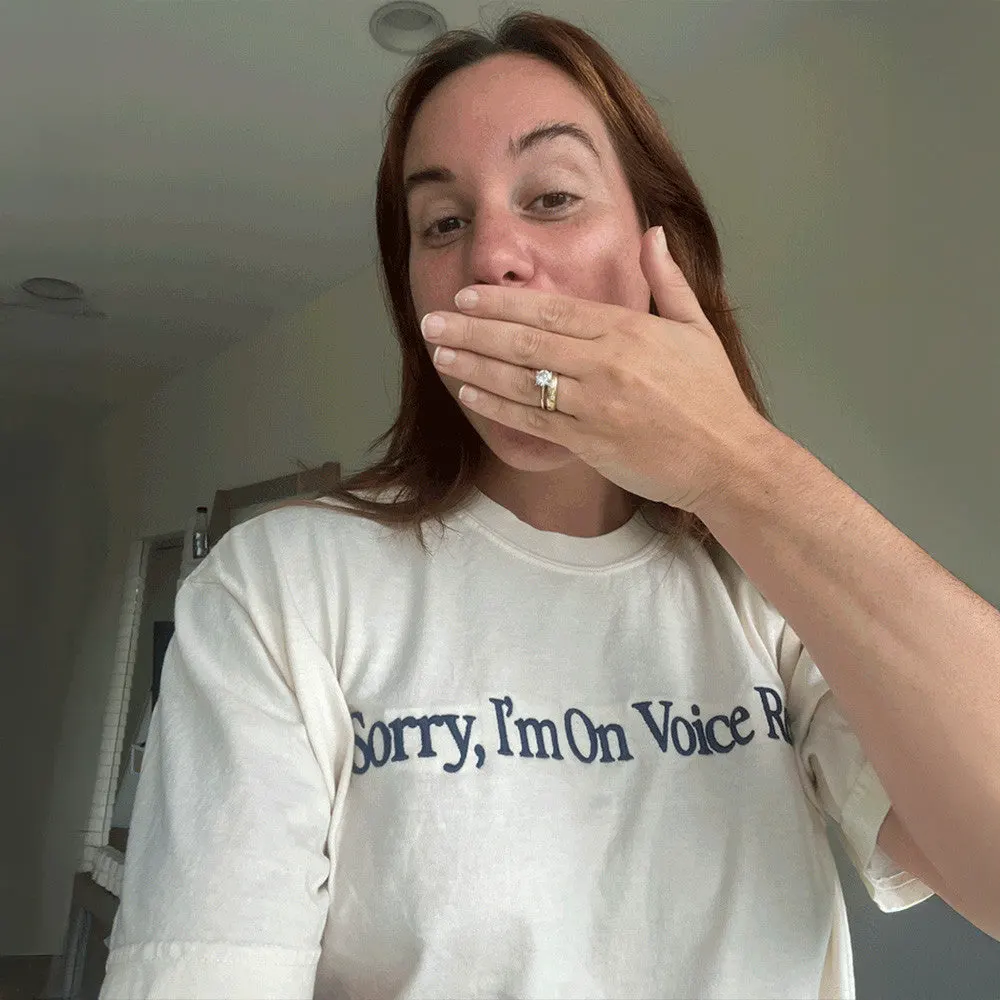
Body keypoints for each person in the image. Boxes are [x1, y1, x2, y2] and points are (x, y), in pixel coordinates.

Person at [99, 10, 934, 1000]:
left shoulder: (766, 584)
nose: (491, 255)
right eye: (442, 223)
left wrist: (741, 467)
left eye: (551, 197)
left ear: (658, 249)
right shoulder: (280, 589)